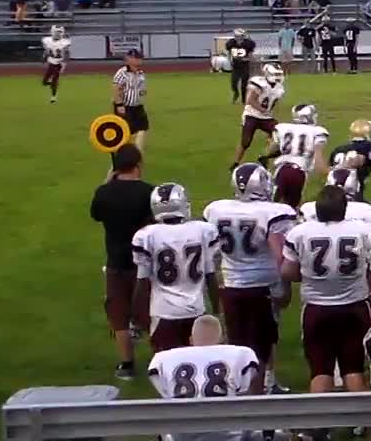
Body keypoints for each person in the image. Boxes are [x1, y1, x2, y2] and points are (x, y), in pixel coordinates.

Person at [203, 164, 299, 394]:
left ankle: (237, 395)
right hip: (262, 286)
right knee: (259, 351)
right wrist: (285, 285)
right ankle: (255, 401)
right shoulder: (274, 212)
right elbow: (279, 257)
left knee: (237, 347)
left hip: (231, 284)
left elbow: (213, 251)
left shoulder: (216, 210)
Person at [281, 184, 371, 395]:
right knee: (353, 367)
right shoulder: (361, 231)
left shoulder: (300, 233)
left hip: (317, 308)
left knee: (320, 370)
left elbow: (288, 272)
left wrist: (310, 275)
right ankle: (359, 423)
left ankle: (320, 423)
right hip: (355, 306)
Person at [131, 183, 221, 352]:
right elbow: (211, 276)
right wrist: (217, 311)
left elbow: (142, 283)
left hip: (163, 313)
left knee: (166, 369)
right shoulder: (203, 230)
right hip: (196, 310)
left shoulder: (146, 235)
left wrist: (136, 320)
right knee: (198, 367)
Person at [90, 144, 154, 379]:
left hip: (116, 263)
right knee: (150, 314)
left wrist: (108, 183)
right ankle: (161, 360)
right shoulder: (149, 192)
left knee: (119, 317)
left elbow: (95, 214)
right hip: (144, 265)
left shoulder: (103, 193)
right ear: (138, 165)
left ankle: (127, 364)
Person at [146, 316, 261, 422]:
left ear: (191, 340)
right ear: (222, 341)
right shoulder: (240, 354)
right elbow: (242, 390)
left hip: (182, 429)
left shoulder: (164, 358)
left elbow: (165, 393)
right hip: (226, 429)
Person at [265, 103, 330, 209]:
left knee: (274, 205)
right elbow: (318, 158)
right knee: (293, 209)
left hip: (281, 169)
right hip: (298, 171)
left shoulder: (283, 128)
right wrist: (326, 173)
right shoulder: (317, 132)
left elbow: (271, 150)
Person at [230, 63, 286, 170]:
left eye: (279, 74)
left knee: (280, 135)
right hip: (252, 115)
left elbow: (274, 103)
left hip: (266, 117)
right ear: (268, 73)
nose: (278, 77)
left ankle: (264, 157)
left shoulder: (280, 88)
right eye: (276, 74)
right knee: (245, 142)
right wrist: (263, 110)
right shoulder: (259, 83)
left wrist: (271, 116)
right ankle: (235, 164)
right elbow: (249, 101)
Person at [329, 119, 371, 191]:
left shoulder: (338, 149)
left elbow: (330, 167)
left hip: (333, 186)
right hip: (352, 186)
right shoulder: (370, 148)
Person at [113, 49, 150, 150]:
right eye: (136, 58)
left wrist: (142, 93)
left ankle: (137, 150)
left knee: (143, 128)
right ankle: (123, 154)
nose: (139, 61)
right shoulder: (122, 73)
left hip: (137, 106)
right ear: (128, 59)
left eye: (140, 58)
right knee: (125, 132)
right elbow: (116, 89)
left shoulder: (141, 73)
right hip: (125, 107)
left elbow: (142, 89)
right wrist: (119, 105)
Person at [225, 29, 256, 104]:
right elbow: (229, 53)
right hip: (236, 66)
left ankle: (243, 100)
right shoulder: (231, 43)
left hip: (244, 66)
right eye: (236, 36)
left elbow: (251, 56)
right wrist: (230, 60)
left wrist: (246, 59)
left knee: (244, 84)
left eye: (239, 36)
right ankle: (236, 93)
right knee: (234, 83)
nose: (237, 38)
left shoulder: (248, 44)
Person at [41, 24, 70, 103]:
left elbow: (66, 54)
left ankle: (53, 96)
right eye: (56, 32)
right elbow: (47, 51)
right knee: (44, 82)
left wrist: (64, 64)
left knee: (54, 79)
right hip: (51, 63)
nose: (58, 34)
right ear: (52, 32)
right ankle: (54, 84)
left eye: (60, 32)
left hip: (59, 64)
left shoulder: (65, 42)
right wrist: (44, 57)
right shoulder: (46, 40)